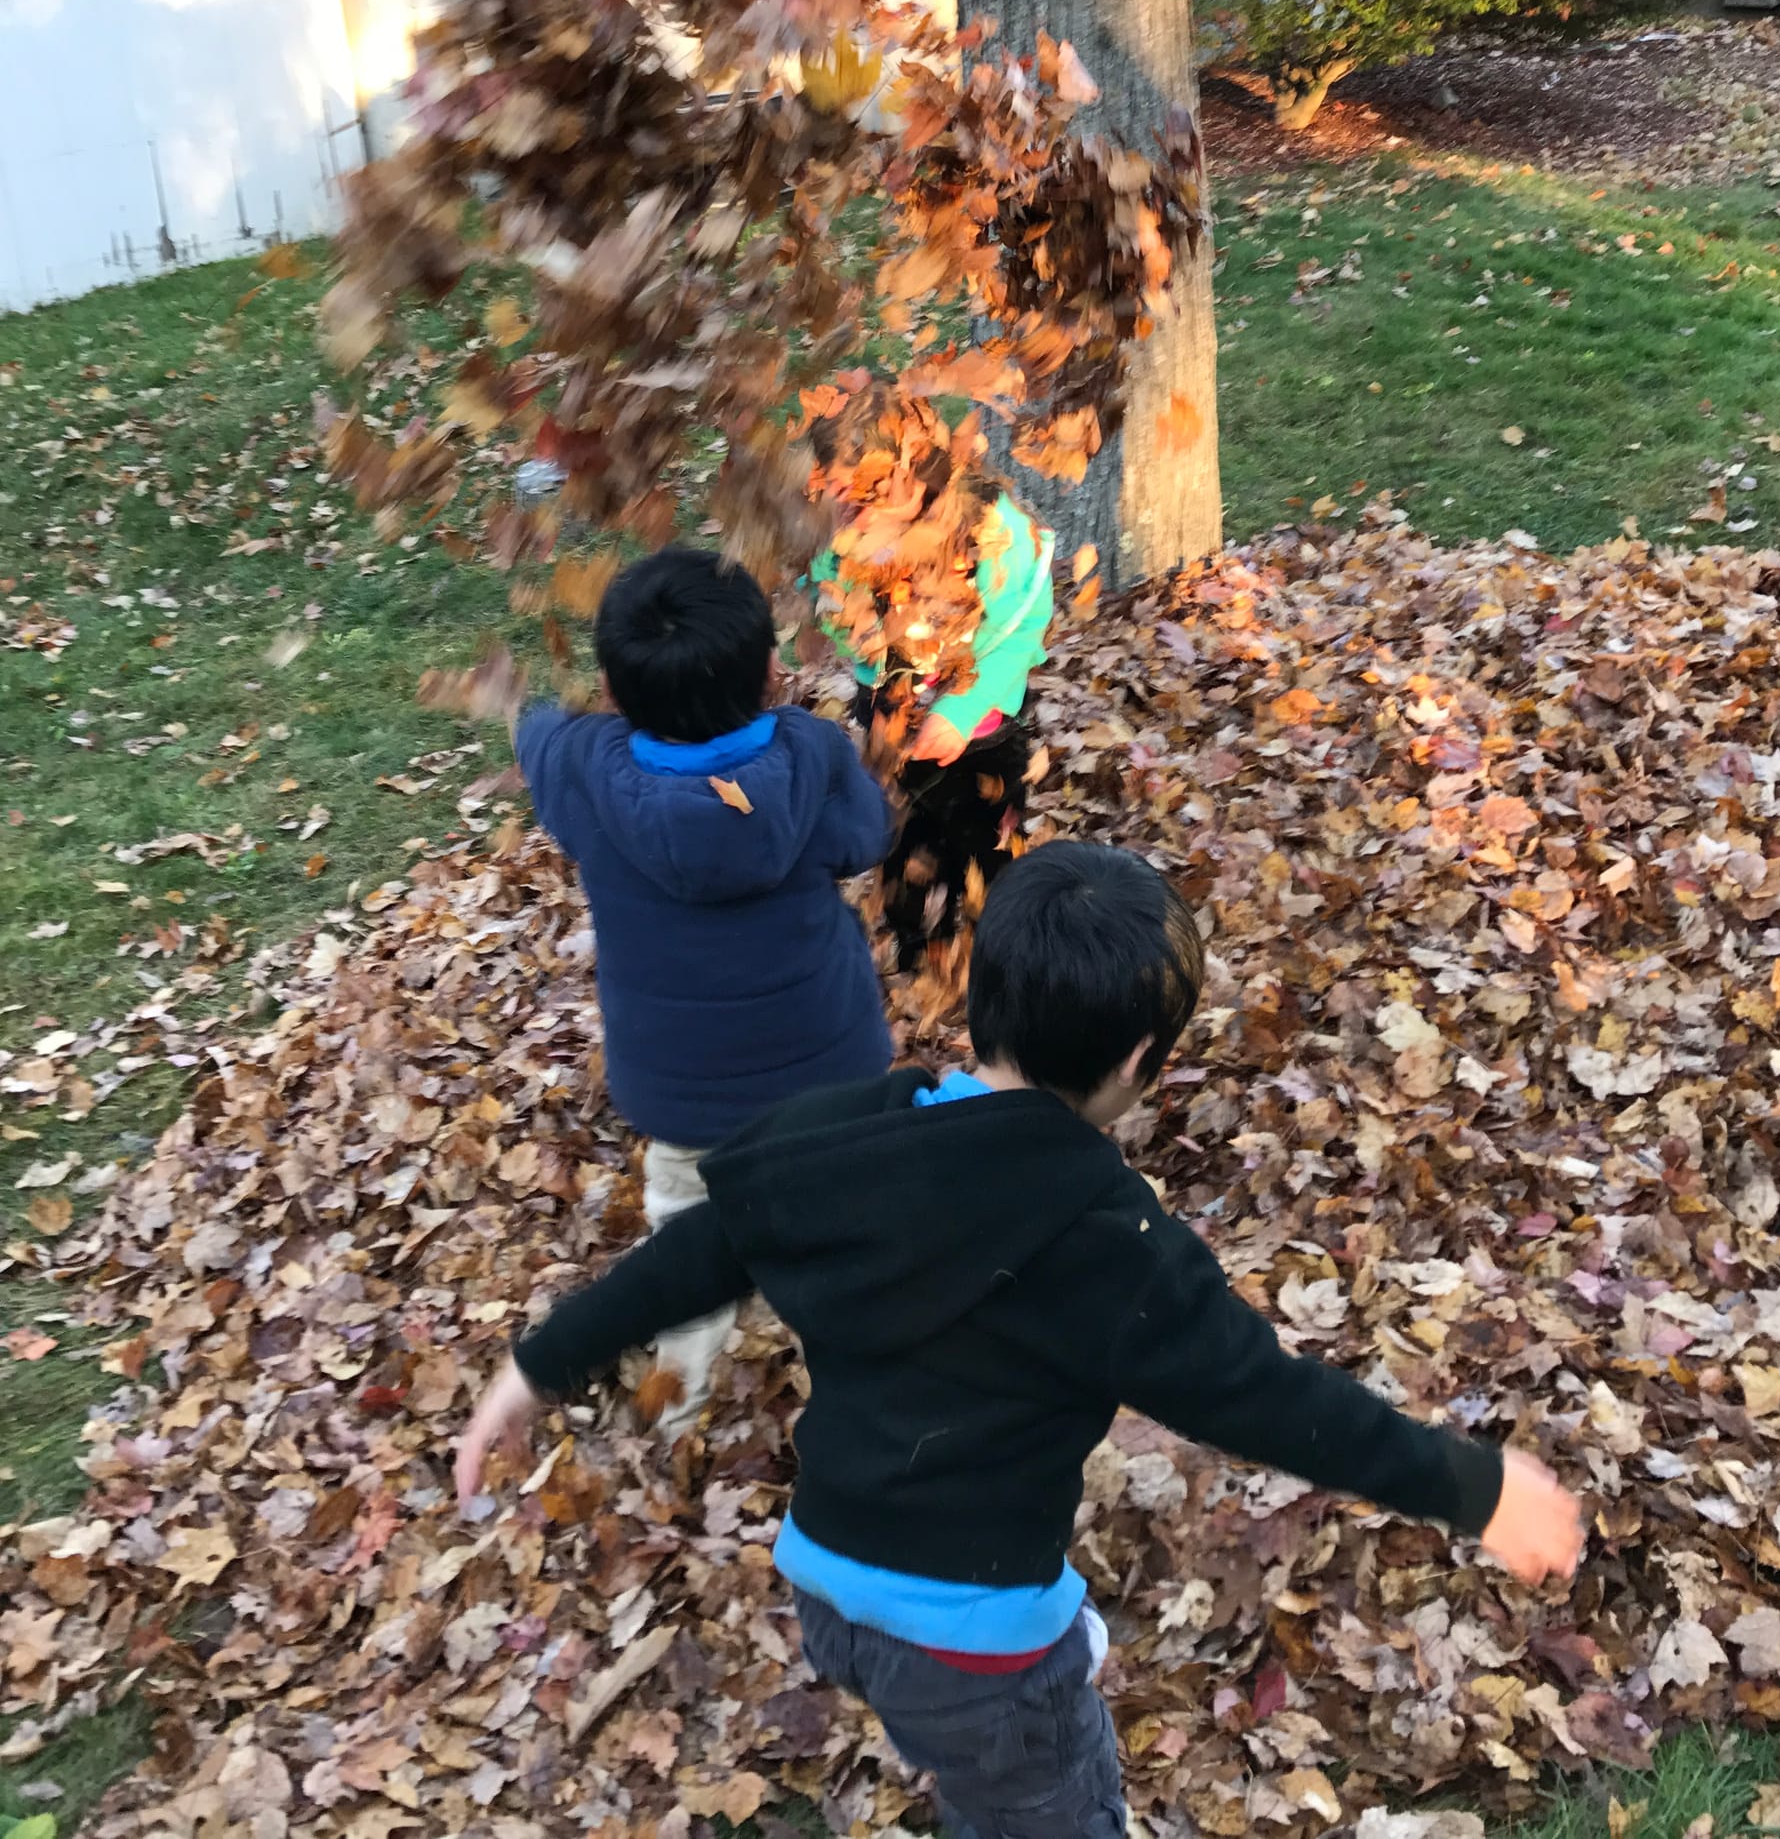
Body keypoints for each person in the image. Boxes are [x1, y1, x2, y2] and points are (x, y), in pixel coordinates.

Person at [456, 842, 1586, 1834]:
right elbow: (1279, 1405)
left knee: (979, 1766)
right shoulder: (1111, 1246)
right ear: (1141, 1062)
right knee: (1048, 1797)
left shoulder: (841, 1137)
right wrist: (1475, 1489)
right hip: (978, 1647)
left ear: (976, 991)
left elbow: (690, 1255)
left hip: (828, 1587)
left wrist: (532, 1368)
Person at [514, 546, 896, 1437]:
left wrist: (537, 713)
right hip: (829, 1067)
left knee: (688, 1231)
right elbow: (866, 836)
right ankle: (864, 1371)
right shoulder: (809, 754)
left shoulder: (583, 768)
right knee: (843, 1218)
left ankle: (680, 1406)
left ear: (611, 688)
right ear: (772, 672)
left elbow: (538, 738)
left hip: (680, 1087)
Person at [822, 482, 1056, 971]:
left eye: (872, 497)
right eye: (845, 496)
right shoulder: (848, 530)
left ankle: (991, 956)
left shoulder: (993, 535)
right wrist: (841, 574)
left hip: (984, 733)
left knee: (988, 850)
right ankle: (916, 951)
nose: (858, 513)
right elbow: (830, 611)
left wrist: (961, 712)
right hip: (893, 719)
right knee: (905, 844)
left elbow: (1023, 628)